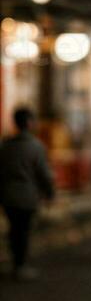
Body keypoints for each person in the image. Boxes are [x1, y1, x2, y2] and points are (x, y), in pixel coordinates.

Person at [0, 107, 54, 281]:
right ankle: (20, 265)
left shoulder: (6, 145)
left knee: (14, 229)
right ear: (29, 123)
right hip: (28, 195)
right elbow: (43, 173)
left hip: (8, 196)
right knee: (23, 230)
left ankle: (16, 262)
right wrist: (49, 192)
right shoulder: (36, 146)